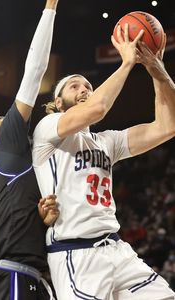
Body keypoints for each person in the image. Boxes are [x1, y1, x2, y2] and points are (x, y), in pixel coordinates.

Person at [32, 23, 175, 300]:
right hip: (76, 252)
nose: (84, 88)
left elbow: (168, 125)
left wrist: (157, 68)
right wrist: (126, 64)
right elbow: (96, 108)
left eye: (88, 85)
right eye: (74, 86)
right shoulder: (48, 130)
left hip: (116, 248)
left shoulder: (107, 141)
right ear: (59, 104)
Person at [0, 0, 60, 299]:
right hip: (12, 277)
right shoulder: (5, 147)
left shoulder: (0, 166)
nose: (7, 120)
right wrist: (50, 9)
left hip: (12, 275)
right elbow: (34, 72)